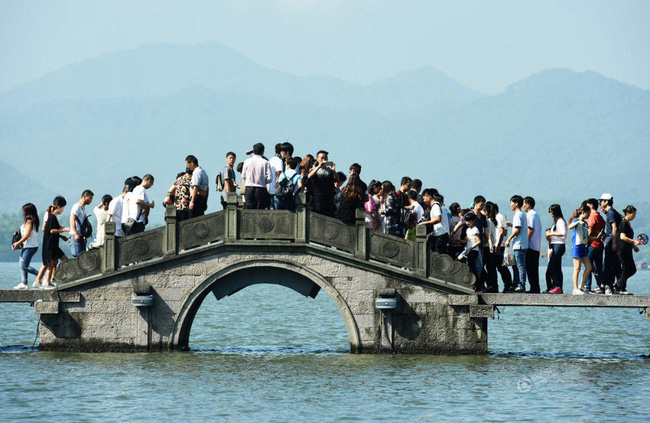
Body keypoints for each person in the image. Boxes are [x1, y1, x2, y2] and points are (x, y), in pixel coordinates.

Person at [41, 196, 70, 289]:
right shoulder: (52, 217)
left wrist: (61, 236)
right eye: (63, 208)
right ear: (58, 207)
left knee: (65, 260)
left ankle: (54, 277)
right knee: (51, 265)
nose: (63, 210)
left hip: (55, 245)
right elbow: (52, 231)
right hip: (51, 246)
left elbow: (54, 230)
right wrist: (64, 230)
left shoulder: (53, 217)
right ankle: (47, 283)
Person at [12, 203, 40, 290]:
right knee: (22, 263)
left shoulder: (29, 221)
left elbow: (27, 235)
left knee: (24, 266)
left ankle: (41, 275)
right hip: (30, 246)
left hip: (29, 246)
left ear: (27, 212)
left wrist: (17, 243)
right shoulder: (34, 220)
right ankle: (24, 283)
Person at [504, 195, 528, 293]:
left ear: (516, 203)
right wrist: (511, 225)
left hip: (519, 244)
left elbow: (518, 229)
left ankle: (521, 285)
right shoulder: (521, 214)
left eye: (511, 203)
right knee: (516, 265)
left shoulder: (518, 215)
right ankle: (515, 284)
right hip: (521, 244)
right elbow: (518, 226)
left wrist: (508, 239)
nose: (510, 205)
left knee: (520, 266)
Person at [616, 205, 641, 295]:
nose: (634, 216)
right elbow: (623, 237)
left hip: (628, 249)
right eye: (633, 215)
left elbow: (628, 237)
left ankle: (619, 285)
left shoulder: (628, 223)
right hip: (623, 250)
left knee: (632, 269)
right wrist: (634, 242)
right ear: (627, 213)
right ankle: (621, 287)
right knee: (627, 268)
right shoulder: (624, 223)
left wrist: (633, 246)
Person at [600, 193, 621, 294]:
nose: (600, 203)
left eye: (602, 201)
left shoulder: (611, 212)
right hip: (611, 239)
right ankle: (615, 286)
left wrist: (613, 242)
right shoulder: (613, 212)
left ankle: (605, 286)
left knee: (608, 264)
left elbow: (615, 227)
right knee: (614, 264)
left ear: (606, 201)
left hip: (611, 242)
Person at [568, 205, 592, 295]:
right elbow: (570, 227)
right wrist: (578, 222)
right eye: (588, 214)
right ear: (583, 213)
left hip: (582, 246)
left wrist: (598, 237)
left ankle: (581, 286)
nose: (589, 215)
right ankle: (575, 288)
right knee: (577, 268)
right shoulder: (576, 220)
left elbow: (587, 236)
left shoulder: (585, 223)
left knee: (589, 267)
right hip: (576, 246)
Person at [308, 150, 338, 217]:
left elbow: (337, 180)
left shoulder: (329, 170)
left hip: (329, 197)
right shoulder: (314, 169)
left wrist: (334, 171)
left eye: (325, 158)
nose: (324, 160)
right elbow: (309, 176)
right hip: (318, 196)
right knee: (318, 215)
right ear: (317, 159)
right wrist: (319, 166)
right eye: (322, 158)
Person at [545, 204, 567, 294]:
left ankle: (557, 286)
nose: (550, 213)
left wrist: (550, 234)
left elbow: (563, 233)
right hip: (555, 245)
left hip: (559, 245)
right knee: (557, 267)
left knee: (552, 267)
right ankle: (557, 287)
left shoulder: (560, 221)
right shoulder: (556, 221)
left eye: (551, 211)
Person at [584, 198, 605, 293]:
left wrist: (585, 241)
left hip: (592, 244)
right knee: (598, 266)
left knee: (587, 265)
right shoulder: (600, 217)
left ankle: (587, 285)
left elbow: (590, 230)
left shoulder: (592, 216)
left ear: (591, 206)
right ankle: (601, 285)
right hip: (599, 244)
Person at [242, 143, 272, 209]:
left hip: (249, 188)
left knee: (249, 210)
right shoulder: (266, 162)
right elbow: (269, 179)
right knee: (260, 211)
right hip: (261, 189)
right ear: (262, 151)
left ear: (253, 151)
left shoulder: (247, 161)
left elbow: (243, 176)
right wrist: (263, 180)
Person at [419, 189, 449, 254]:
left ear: (429, 197)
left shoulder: (435, 206)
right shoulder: (434, 206)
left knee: (439, 254)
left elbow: (438, 219)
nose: (424, 201)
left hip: (441, 234)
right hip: (438, 234)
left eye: (424, 198)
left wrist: (425, 223)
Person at [523, 196, 542, 293]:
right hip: (536, 245)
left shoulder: (530, 214)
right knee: (534, 268)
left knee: (530, 268)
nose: (523, 206)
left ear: (528, 205)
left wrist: (525, 242)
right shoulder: (536, 214)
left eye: (524, 204)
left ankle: (533, 288)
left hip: (531, 245)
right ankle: (535, 287)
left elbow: (530, 229)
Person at [459, 211, 482, 291]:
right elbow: (467, 241)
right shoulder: (468, 230)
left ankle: (476, 285)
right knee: (469, 266)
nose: (467, 223)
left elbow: (478, 241)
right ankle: (473, 284)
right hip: (468, 250)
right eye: (466, 221)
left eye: (469, 221)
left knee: (472, 268)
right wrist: (459, 240)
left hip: (473, 250)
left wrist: (470, 248)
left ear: (473, 221)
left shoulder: (475, 230)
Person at [70, 190, 94, 257]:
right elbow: (72, 219)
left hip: (81, 235)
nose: (91, 200)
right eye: (90, 198)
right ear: (84, 197)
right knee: (77, 255)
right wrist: (76, 233)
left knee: (82, 256)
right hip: (76, 234)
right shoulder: (77, 207)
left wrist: (83, 235)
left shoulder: (82, 208)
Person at [268, 143, 284, 209]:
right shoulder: (279, 161)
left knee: (271, 207)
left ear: (275, 150)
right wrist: (278, 186)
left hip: (270, 188)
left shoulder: (270, 160)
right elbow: (278, 174)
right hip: (276, 189)